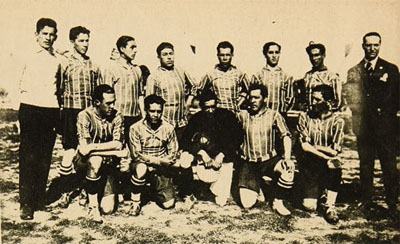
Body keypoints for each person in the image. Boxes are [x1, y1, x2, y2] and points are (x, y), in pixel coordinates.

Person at [344, 32, 399, 219]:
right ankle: (367, 203)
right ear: (363, 46)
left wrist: (384, 116)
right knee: (365, 166)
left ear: (380, 46)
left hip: (386, 128)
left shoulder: (391, 70)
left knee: (389, 166)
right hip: (365, 127)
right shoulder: (354, 71)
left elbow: (395, 98)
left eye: (376, 45)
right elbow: (352, 99)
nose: (372, 48)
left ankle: (392, 205)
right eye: (369, 45)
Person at [18, 18, 62, 220]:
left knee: (45, 157)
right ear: (36, 34)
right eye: (45, 34)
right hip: (30, 109)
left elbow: (58, 87)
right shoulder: (26, 55)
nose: (49, 38)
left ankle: (38, 199)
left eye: (52, 34)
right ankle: (26, 204)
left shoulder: (57, 59)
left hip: (50, 110)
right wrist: (18, 116)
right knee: (29, 157)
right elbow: (16, 83)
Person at [54, 26, 101, 208]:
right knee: (69, 151)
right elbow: (58, 89)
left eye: (87, 40)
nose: (85, 44)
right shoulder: (64, 63)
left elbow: (97, 91)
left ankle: (84, 190)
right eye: (81, 40)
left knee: (87, 151)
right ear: (72, 42)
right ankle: (65, 192)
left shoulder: (93, 65)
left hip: (88, 114)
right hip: (70, 112)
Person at [238, 83, 295, 216]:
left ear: (264, 98)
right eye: (251, 97)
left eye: (257, 98)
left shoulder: (274, 115)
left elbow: (286, 136)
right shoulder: (242, 115)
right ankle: (260, 187)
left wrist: (287, 158)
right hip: (249, 162)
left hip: (269, 160)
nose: (253, 101)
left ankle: (278, 201)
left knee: (288, 169)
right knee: (247, 203)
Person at [180, 90, 243, 206]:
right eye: (206, 108)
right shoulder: (196, 118)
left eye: (213, 107)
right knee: (184, 158)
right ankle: (188, 193)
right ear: (201, 107)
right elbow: (184, 141)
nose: (210, 110)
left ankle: (216, 190)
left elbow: (237, 139)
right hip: (203, 157)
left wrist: (222, 154)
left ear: (216, 104)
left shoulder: (227, 116)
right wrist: (201, 152)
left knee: (221, 201)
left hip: (223, 158)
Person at [76, 84, 127, 223]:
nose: (112, 106)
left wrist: (93, 147)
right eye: (108, 103)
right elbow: (83, 149)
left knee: (108, 209)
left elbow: (118, 144)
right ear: (97, 102)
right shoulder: (84, 115)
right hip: (86, 162)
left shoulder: (117, 116)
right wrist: (112, 152)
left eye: (113, 102)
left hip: (108, 165)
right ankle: (93, 207)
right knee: (95, 160)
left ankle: (89, 189)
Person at [296, 84, 345, 224]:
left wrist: (315, 146)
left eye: (317, 100)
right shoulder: (305, 117)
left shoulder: (338, 121)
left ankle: (330, 205)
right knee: (309, 206)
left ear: (328, 102)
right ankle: (318, 192)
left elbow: (335, 150)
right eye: (312, 99)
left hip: (328, 164)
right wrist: (324, 153)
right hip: (310, 163)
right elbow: (305, 146)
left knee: (335, 163)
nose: (313, 102)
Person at [127, 94, 179, 216]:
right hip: (142, 165)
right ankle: (135, 201)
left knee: (169, 204)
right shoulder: (135, 128)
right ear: (145, 111)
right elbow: (137, 155)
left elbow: (173, 154)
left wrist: (161, 162)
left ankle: (154, 190)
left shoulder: (168, 128)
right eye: (152, 111)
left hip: (160, 169)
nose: (156, 114)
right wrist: (159, 161)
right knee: (141, 168)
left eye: (159, 111)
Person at [146, 42, 197, 139]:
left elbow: (195, 86)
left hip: (182, 122)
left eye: (171, 53)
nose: (169, 57)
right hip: (164, 124)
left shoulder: (181, 71)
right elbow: (148, 102)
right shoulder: (154, 77)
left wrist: (188, 102)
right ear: (159, 57)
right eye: (165, 54)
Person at [103, 35, 145, 143]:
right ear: (122, 49)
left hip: (135, 117)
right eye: (132, 47)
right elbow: (106, 96)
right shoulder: (111, 68)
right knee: (116, 150)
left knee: (134, 150)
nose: (135, 50)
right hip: (117, 117)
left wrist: (143, 116)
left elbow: (140, 95)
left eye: (136, 47)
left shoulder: (137, 70)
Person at [199, 41, 248, 113]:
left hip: (234, 113)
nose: (225, 58)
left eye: (227, 55)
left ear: (232, 55)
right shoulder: (210, 75)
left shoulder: (239, 74)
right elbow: (200, 91)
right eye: (222, 55)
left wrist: (239, 103)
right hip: (217, 115)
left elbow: (248, 90)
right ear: (218, 55)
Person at [252, 42, 294, 115]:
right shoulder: (258, 76)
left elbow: (290, 98)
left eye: (277, 52)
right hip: (262, 116)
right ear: (265, 54)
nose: (274, 56)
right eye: (271, 53)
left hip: (280, 115)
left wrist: (281, 112)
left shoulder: (286, 77)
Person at [302, 42, 342, 111]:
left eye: (317, 55)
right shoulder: (307, 76)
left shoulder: (332, 76)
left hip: (325, 117)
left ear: (323, 55)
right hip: (309, 118)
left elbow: (337, 102)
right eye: (311, 56)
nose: (314, 58)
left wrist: (324, 106)